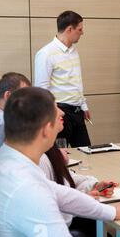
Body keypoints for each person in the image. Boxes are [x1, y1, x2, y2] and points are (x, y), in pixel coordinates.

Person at [0, 87, 120, 237]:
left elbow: (58, 192)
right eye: (55, 109)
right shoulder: (27, 190)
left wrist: (112, 212)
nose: (62, 112)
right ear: (45, 130)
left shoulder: (3, 159)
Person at [39, 146, 117, 237]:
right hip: (48, 234)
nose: (62, 128)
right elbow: (49, 212)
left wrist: (94, 185)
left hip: (61, 222)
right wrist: (83, 199)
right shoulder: (41, 159)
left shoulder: (46, 152)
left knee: (101, 233)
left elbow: (67, 180)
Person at [34, 10, 91, 147]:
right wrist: (51, 115)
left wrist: (83, 105)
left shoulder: (73, 50)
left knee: (86, 153)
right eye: (80, 29)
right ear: (69, 29)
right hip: (60, 114)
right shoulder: (46, 54)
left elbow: (76, 81)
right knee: (61, 158)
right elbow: (41, 90)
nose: (82, 33)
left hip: (77, 112)